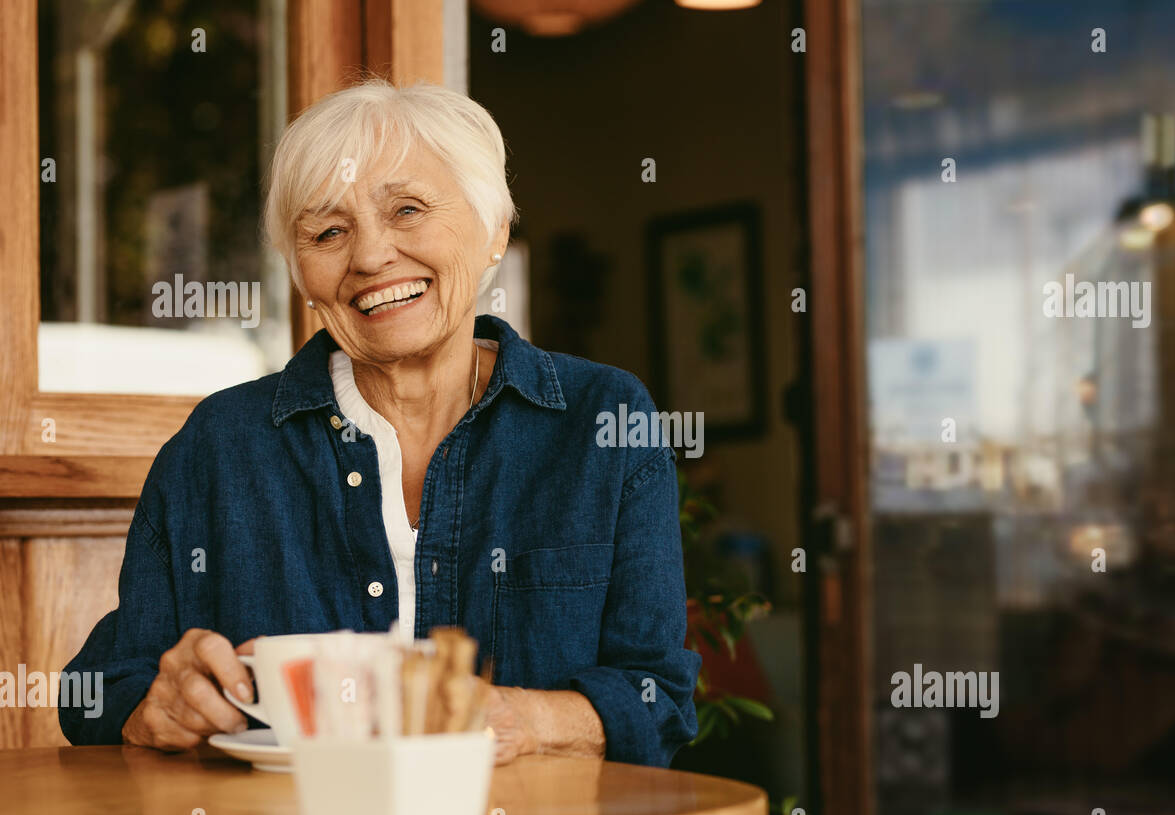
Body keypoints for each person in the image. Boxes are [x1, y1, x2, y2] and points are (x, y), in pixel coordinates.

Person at [59, 78, 699, 767]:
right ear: (301, 273)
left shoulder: (601, 420)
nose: (369, 257)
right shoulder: (220, 445)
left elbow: (656, 698)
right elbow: (91, 691)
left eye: (407, 210)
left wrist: (522, 719)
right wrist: (153, 704)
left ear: (494, 231)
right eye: (328, 231)